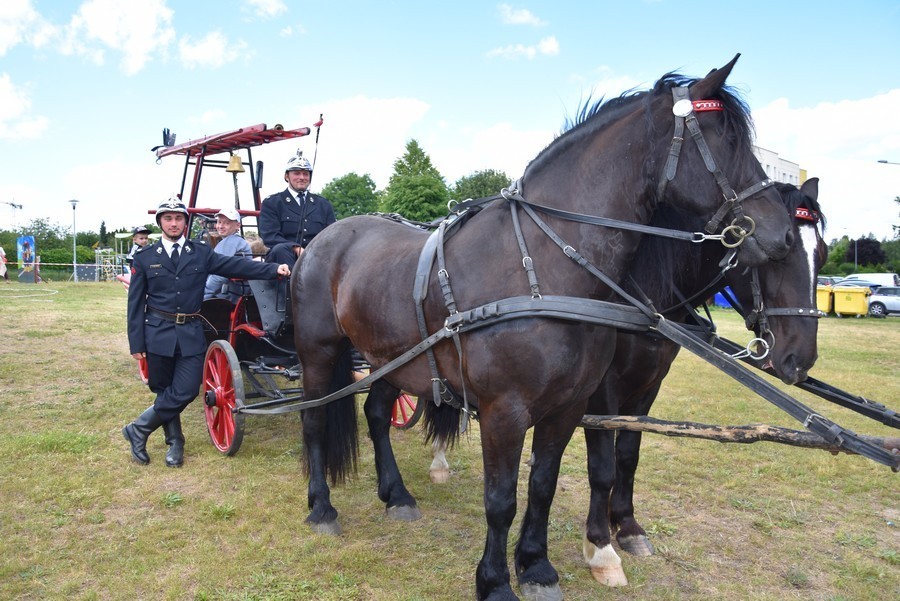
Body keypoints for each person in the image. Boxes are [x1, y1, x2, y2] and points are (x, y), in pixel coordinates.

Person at [123, 197, 291, 467]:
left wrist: (272, 269)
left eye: (178, 218)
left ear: (185, 223)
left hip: (190, 330)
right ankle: (175, 443)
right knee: (164, 389)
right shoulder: (145, 258)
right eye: (168, 218)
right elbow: (135, 304)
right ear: (160, 223)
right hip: (157, 331)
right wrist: (136, 343)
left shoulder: (200, 252)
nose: (174, 223)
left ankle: (138, 428)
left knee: (188, 389)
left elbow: (236, 266)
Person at [259, 152, 336, 265]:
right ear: (286, 176)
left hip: (318, 257)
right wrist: (295, 248)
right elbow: (270, 236)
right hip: (285, 258)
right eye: (297, 173)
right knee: (280, 250)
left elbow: (332, 234)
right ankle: (289, 283)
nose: (302, 177)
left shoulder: (323, 204)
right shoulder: (273, 203)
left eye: (305, 174)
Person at [203, 208, 252, 302]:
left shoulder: (231, 242)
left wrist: (203, 295)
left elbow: (219, 274)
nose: (220, 226)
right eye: (219, 222)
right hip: (235, 293)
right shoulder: (238, 242)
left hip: (225, 297)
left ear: (238, 225)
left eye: (226, 223)